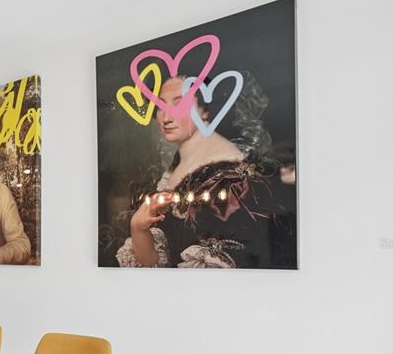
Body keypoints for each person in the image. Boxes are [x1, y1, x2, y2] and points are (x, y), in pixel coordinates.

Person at [116, 75, 294, 268]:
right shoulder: (177, 166)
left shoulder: (230, 178)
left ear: (206, 111)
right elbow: (154, 262)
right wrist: (138, 228)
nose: (166, 118)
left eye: (179, 105)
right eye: (161, 106)